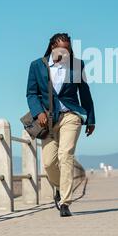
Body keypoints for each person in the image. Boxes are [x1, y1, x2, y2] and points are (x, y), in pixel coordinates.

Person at [26, 33, 95, 217]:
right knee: (48, 163)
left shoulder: (77, 65)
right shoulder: (37, 66)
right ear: (52, 47)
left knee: (65, 155)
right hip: (47, 119)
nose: (65, 52)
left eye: (68, 49)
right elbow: (31, 94)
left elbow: (85, 93)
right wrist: (38, 112)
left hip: (71, 115)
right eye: (62, 49)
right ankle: (58, 187)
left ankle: (65, 202)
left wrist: (91, 119)